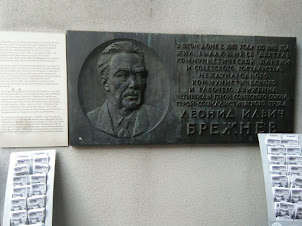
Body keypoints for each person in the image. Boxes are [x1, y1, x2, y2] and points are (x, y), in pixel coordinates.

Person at [87, 41, 160, 137]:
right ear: (105, 83)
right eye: (123, 76)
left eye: (140, 76)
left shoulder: (156, 117)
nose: (133, 84)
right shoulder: (92, 119)